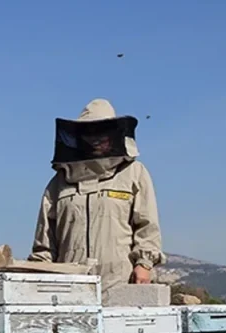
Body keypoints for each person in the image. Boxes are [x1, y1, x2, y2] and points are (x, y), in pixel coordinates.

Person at [28, 98, 165, 300]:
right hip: (69, 289)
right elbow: (44, 245)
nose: (95, 138)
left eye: (101, 131)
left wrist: (144, 264)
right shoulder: (59, 182)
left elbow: (147, 226)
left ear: (114, 133)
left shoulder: (134, 173)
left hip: (121, 284)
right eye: (89, 132)